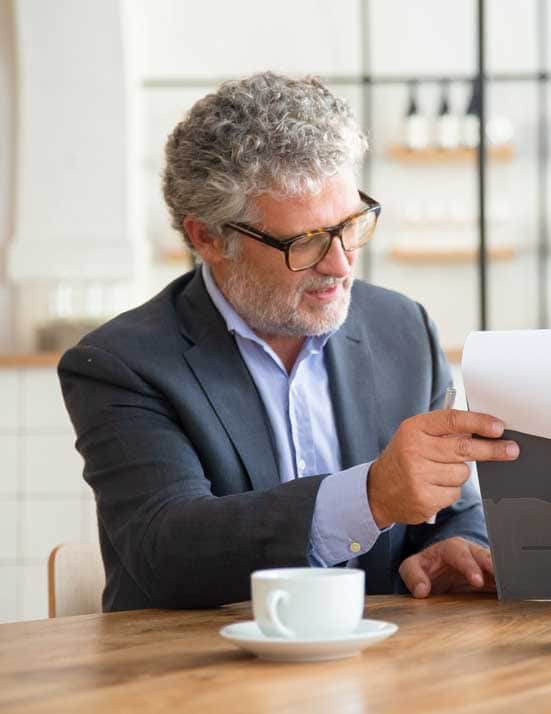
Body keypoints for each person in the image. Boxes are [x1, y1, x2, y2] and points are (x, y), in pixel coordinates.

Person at [58, 72, 520, 611]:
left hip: (379, 672)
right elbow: (167, 550)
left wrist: (454, 546)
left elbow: (451, 503)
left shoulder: (402, 327)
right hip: (196, 679)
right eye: (305, 242)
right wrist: (370, 498)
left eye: (350, 225)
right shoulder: (121, 363)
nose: (341, 264)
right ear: (208, 237)